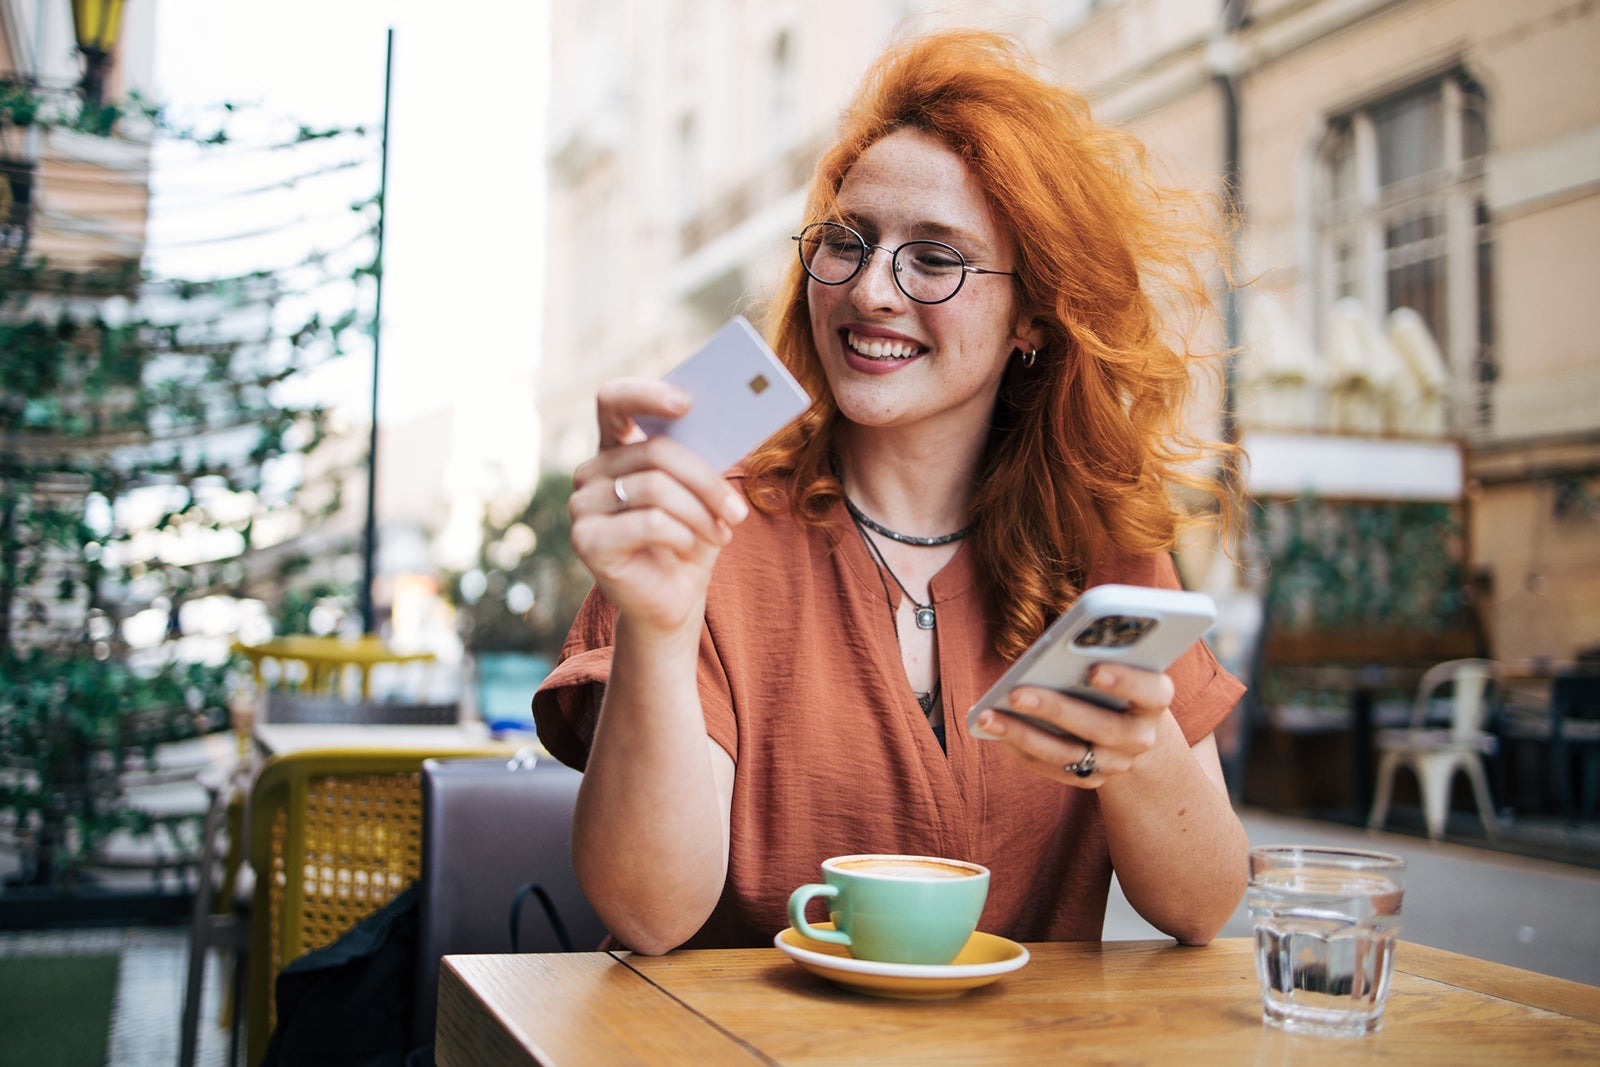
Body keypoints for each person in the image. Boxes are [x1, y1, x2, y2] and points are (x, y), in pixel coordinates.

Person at [533, 29, 1249, 956]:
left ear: (1032, 316)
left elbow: (1202, 907)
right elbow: (647, 914)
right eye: (849, 241)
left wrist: (1137, 749)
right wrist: (661, 628)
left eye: (936, 258)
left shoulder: (1101, 549)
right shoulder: (700, 521)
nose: (871, 289)